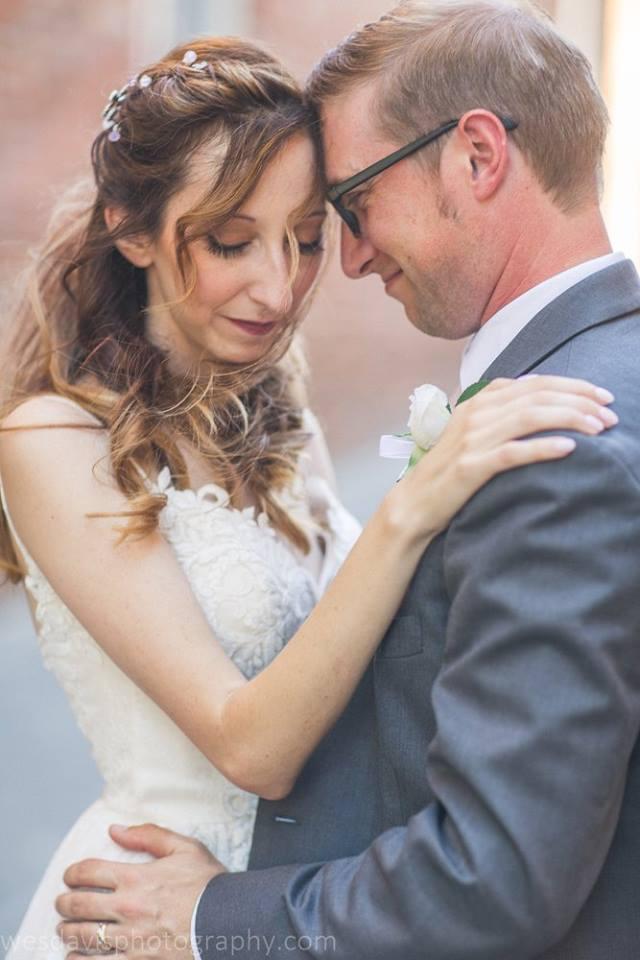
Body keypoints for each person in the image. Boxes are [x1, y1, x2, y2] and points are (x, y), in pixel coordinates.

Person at [0, 28, 608, 960]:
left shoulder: (289, 424)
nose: (279, 288)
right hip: (145, 911)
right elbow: (251, 748)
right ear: (130, 228)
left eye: (308, 239)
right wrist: (415, 505)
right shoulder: (51, 441)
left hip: (287, 908)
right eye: (231, 241)